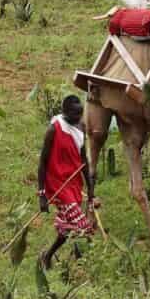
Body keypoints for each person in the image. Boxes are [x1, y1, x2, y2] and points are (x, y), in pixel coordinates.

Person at [36, 94, 99, 270]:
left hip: (73, 182)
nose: (77, 118)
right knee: (82, 225)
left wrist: (90, 188)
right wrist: (42, 194)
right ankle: (81, 261)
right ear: (65, 112)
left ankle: (47, 256)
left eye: (80, 115)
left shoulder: (81, 127)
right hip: (57, 183)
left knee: (66, 229)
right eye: (74, 115)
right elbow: (42, 162)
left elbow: (83, 160)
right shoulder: (54, 129)